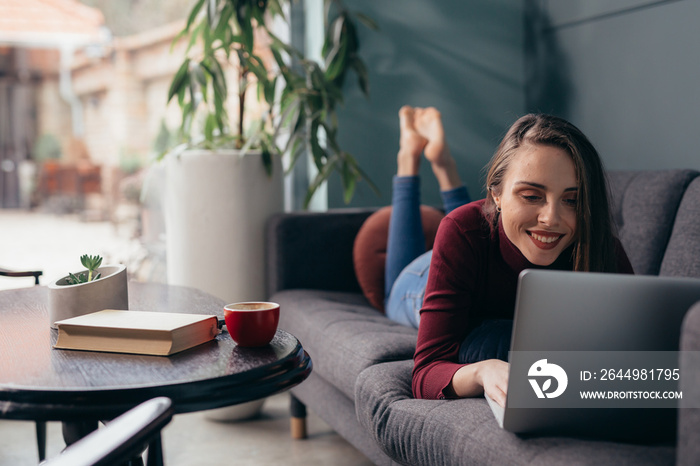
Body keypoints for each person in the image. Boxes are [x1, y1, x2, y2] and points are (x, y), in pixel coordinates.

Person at [381, 106, 633, 408]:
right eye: (531, 196)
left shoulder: (600, 248)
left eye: (572, 200)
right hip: (418, 284)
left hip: (483, 242)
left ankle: (444, 165)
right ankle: (410, 159)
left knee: (481, 223)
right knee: (411, 271)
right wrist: (482, 370)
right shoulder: (461, 232)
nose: (551, 218)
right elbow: (425, 373)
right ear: (497, 193)